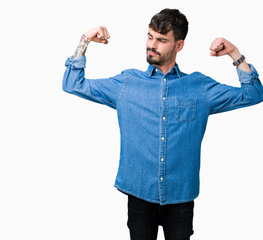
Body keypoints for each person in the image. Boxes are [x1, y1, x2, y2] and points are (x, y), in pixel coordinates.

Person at [62, 8, 263, 240]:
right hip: (138, 194)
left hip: (180, 198)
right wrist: (85, 40)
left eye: (161, 40)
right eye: (149, 37)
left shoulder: (199, 87)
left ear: (179, 45)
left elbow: (254, 94)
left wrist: (235, 54)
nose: (152, 45)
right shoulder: (127, 83)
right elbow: (72, 84)